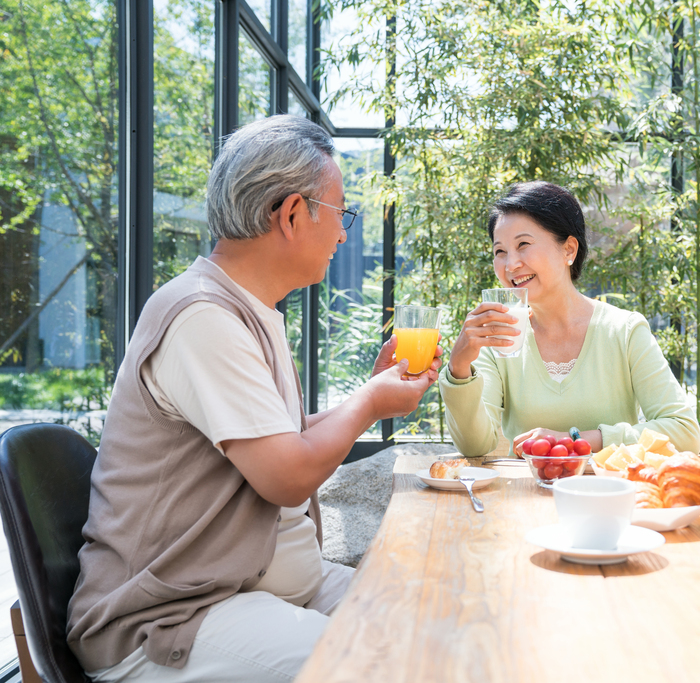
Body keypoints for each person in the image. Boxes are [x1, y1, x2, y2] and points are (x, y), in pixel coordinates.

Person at [66, 115, 441, 682]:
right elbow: (287, 475)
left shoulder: (247, 309)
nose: (344, 234)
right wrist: (369, 402)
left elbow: (279, 437)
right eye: (342, 215)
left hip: (257, 591)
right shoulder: (202, 317)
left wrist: (372, 390)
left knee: (438, 622)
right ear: (291, 214)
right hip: (172, 618)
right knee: (383, 663)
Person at [440, 180, 700, 458]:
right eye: (499, 251)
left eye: (523, 244)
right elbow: (474, 446)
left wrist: (574, 440)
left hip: (609, 496)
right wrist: (459, 367)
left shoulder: (624, 331)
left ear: (569, 250)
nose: (510, 264)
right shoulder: (499, 336)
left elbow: (683, 432)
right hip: (525, 498)